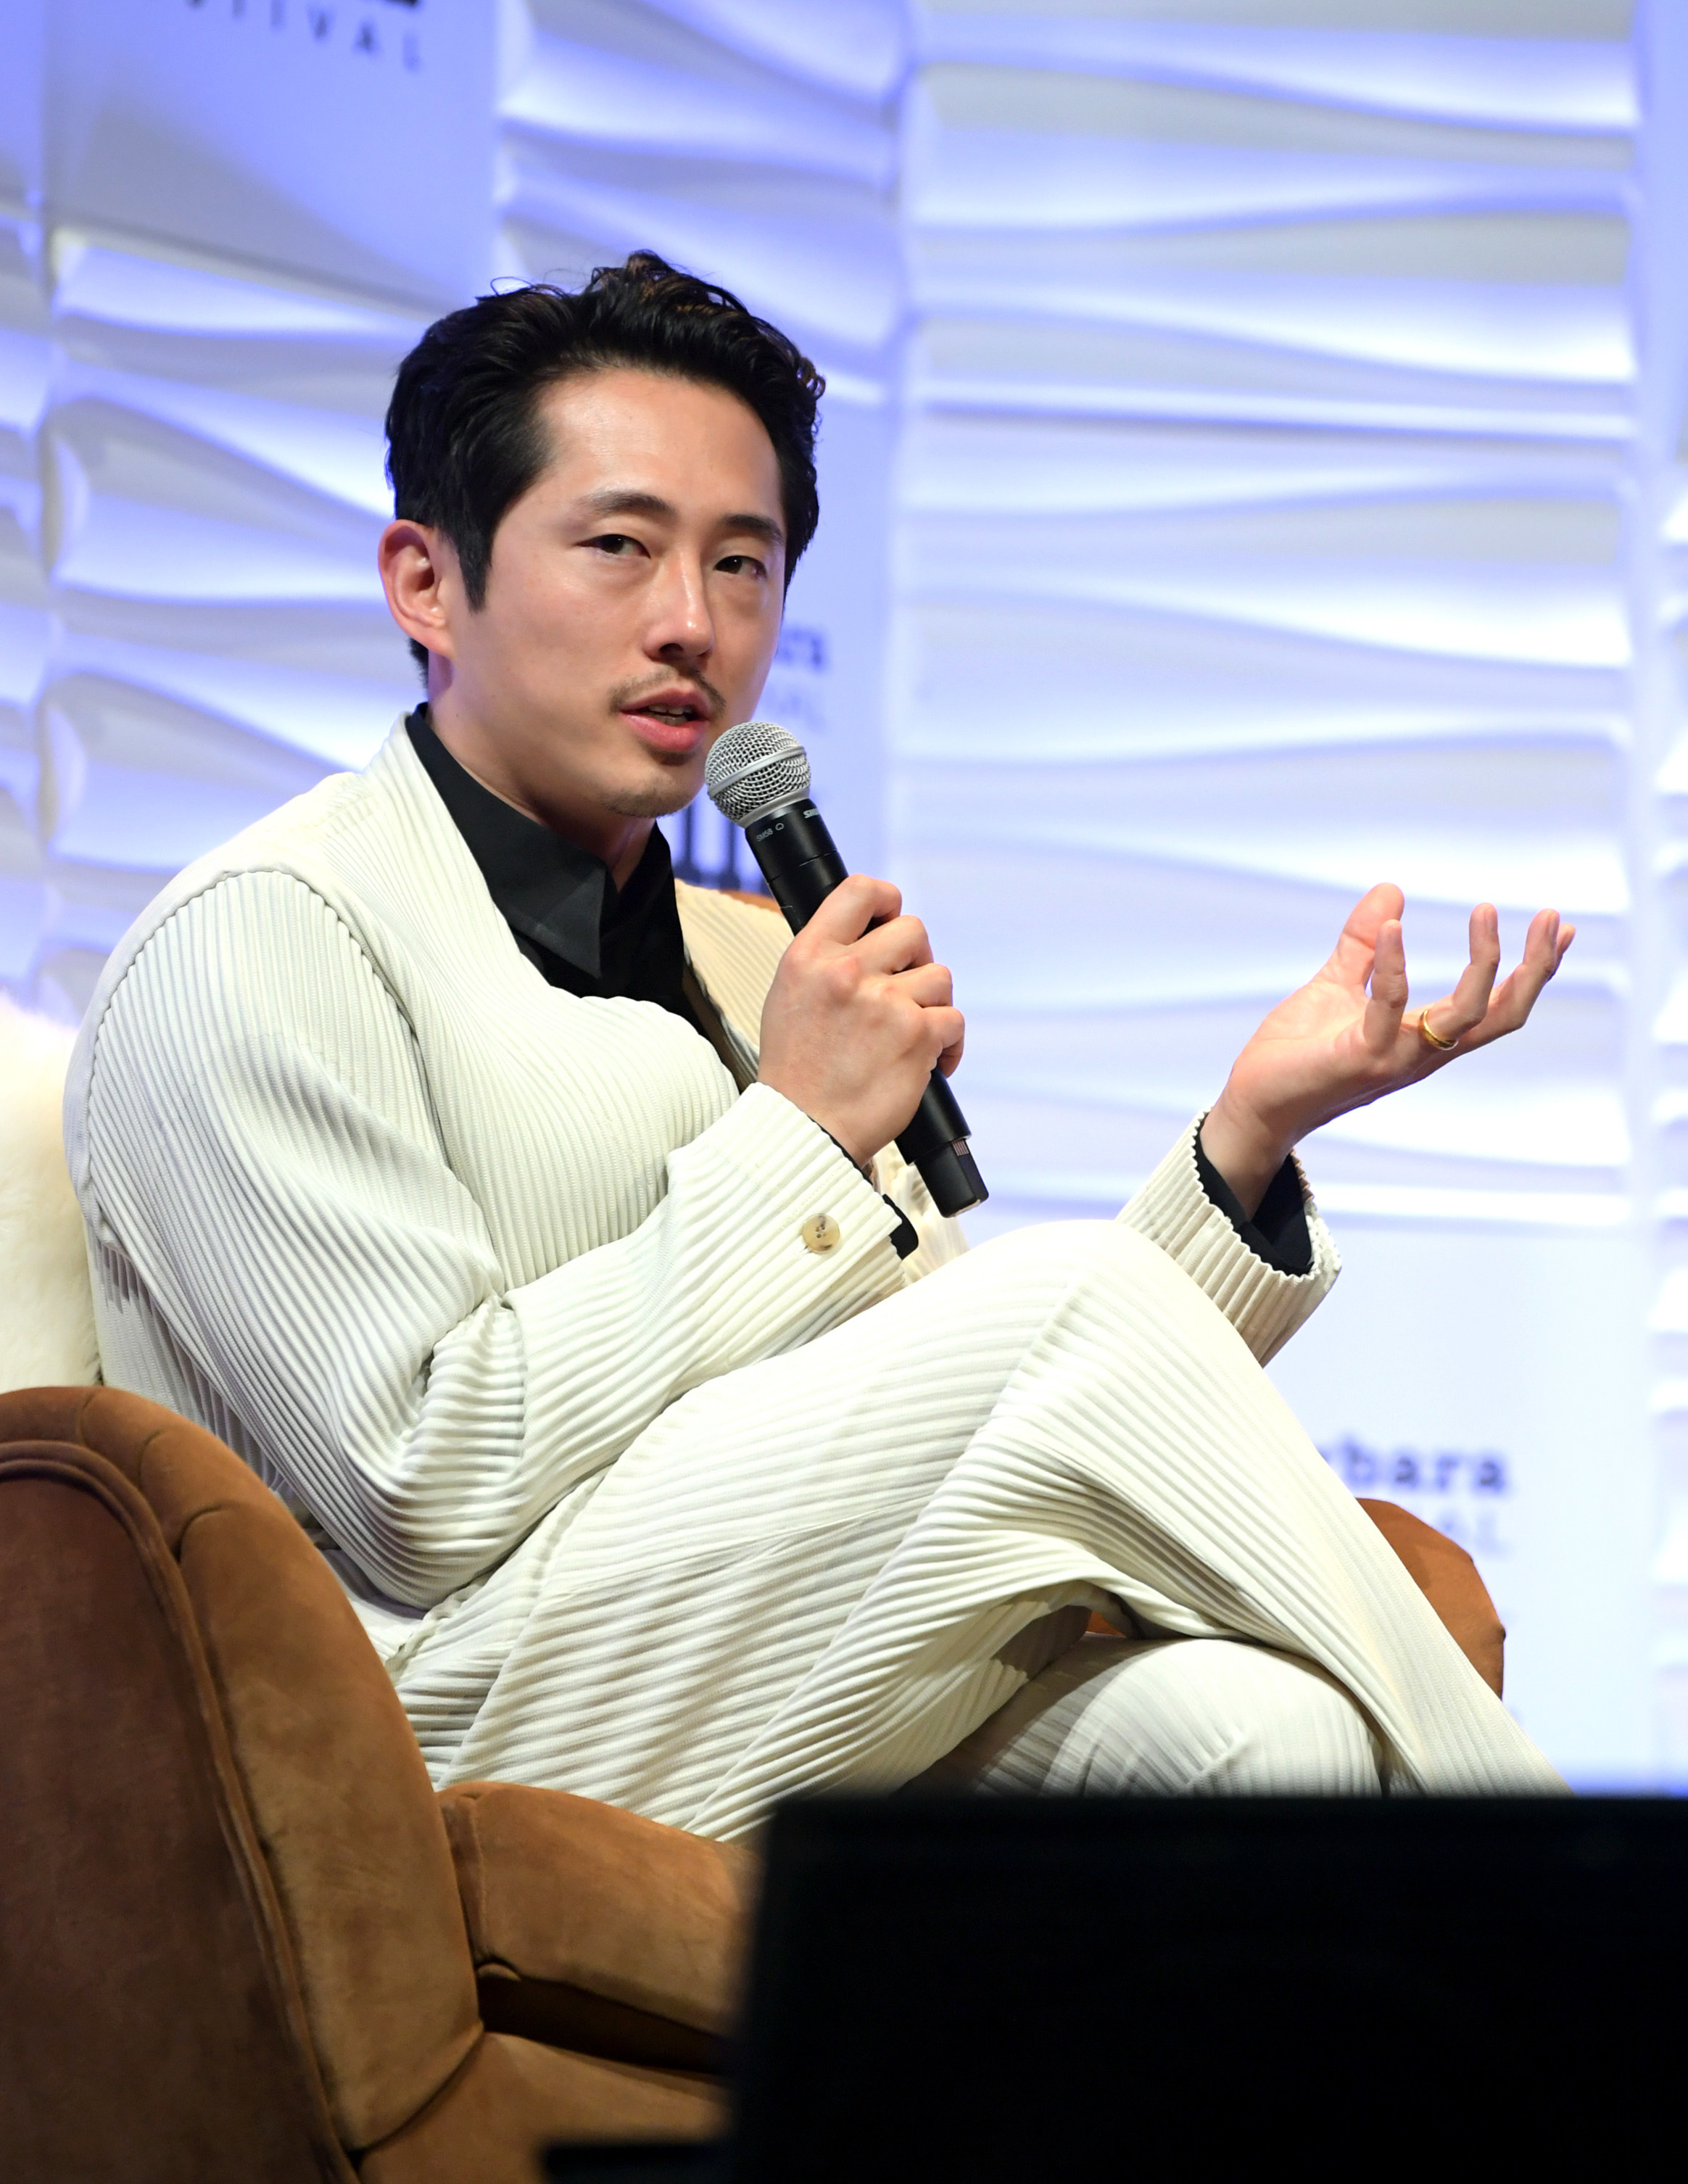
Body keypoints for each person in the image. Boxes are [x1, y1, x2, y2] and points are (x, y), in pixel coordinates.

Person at [65, 255, 1574, 1836]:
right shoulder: (264, 933)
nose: (692, 627)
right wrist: (792, 1135)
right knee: (1066, 1309)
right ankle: (1593, 1940)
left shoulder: (752, 946)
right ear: (427, 583)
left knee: (1251, 1737)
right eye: (620, 548)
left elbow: (1000, 1396)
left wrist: (1246, 1141)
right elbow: (414, 1488)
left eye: (744, 565)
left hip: (760, 1650)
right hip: (432, 1718)